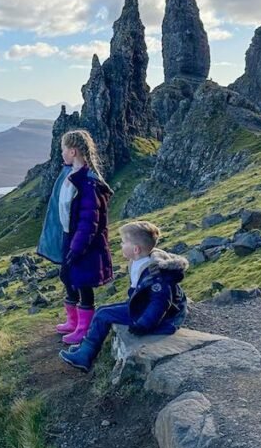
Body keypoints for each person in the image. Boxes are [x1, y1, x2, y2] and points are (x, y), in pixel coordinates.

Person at [59, 220, 188, 372]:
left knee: (103, 315)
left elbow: (160, 303)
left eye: (123, 242)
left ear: (136, 249)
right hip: (141, 306)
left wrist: (143, 324)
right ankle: (85, 347)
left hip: (160, 319)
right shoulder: (139, 261)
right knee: (102, 310)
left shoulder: (155, 275)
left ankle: (85, 356)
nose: (120, 245)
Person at [36, 129, 114, 345]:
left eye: (63, 150)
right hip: (68, 237)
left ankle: (84, 328)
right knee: (67, 277)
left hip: (84, 243)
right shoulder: (68, 174)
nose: (61, 154)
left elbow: (89, 221)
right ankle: (73, 321)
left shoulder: (89, 182)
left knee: (82, 282)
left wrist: (77, 248)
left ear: (72, 151)